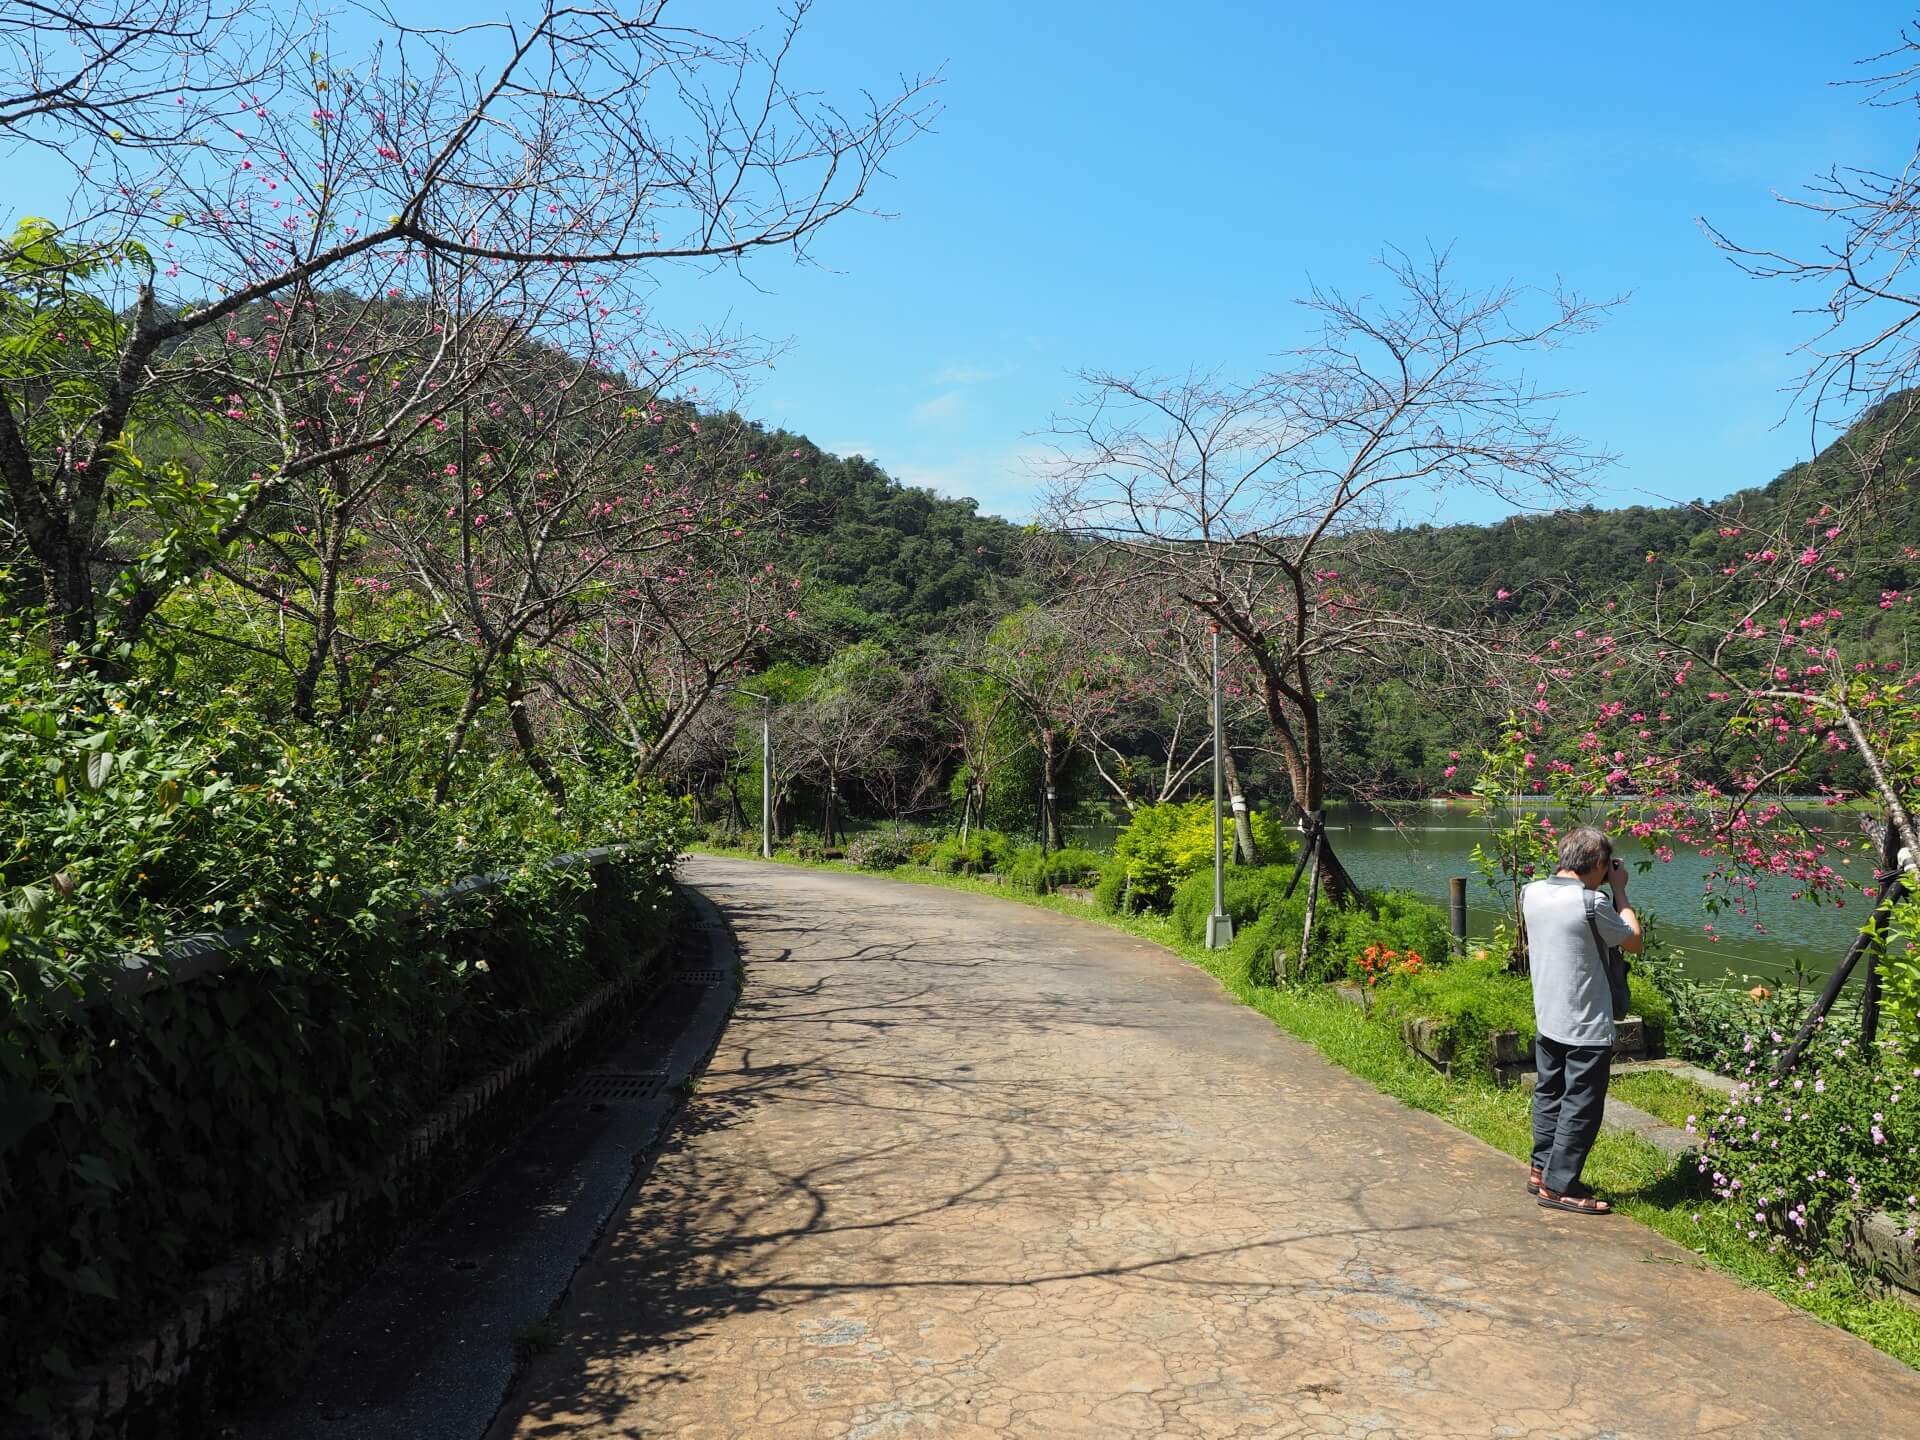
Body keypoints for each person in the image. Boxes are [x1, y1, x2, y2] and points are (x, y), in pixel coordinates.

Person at [1522, 826, 1641, 1215]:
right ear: (1600, 864)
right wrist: (1620, 889)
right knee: (1582, 1105)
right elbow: (1633, 939)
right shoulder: (1592, 904)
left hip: (1548, 1014)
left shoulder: (1532, 892)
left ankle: (1541, 1170)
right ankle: (1561, 1186)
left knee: (1549, 1093)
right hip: (1586, 1024)